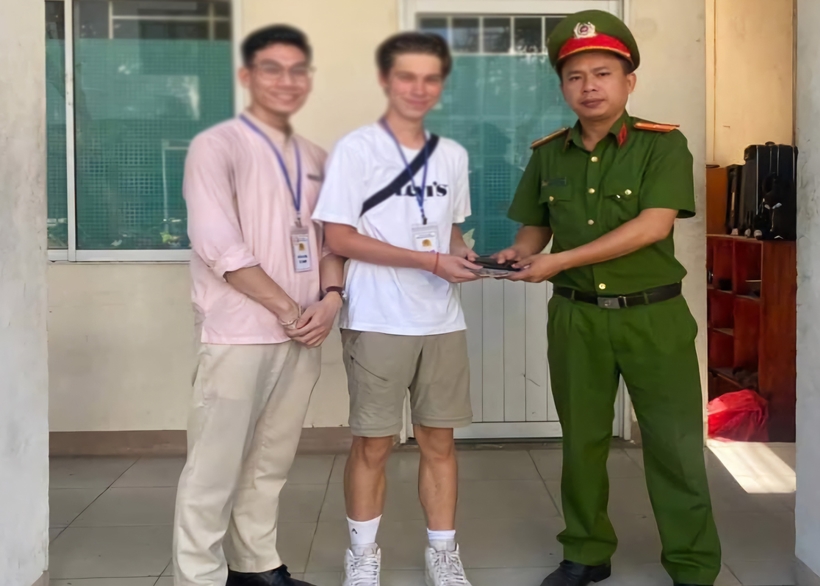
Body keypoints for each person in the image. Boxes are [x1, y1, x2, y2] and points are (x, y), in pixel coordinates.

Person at [495, 10, 722, 586]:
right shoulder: (549, 153)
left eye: (602, 73)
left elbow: (652, 226)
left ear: (628, 81)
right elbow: (535, 228)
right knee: (582, 442)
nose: (588, 86)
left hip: (654, 317)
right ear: (563, 86)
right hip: (577, 319)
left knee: (675, 446)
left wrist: (558, 261)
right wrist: (518, 253)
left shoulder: (661, 145)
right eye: (575, 76)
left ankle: (693, 566)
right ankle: (586, 552)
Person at [173, 25, 344, 586]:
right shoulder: (216, 146)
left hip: (304, 333)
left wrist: (330, 301)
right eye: (272, 68)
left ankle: (256, 565)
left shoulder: (316, 158)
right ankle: (200, 576)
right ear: (247, 76)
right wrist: (289, 309)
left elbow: (331, 242)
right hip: (239, 333)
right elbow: (217, 242)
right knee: (214, 466)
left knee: (270, 462)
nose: (286, 81)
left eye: (297, 70)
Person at [312, 32, 480, 586]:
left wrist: (468, 258)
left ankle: (443, 554)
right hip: (378, 318)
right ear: (386, 80)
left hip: (441, 320)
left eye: (430, 78)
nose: (418, 88)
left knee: (440, 443)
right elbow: (339, 237)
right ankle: (362, 556)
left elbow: (450, 233)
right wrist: (429, 262)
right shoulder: (357, 150)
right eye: (407, 76)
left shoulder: (452, 156)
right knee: (373, 443)